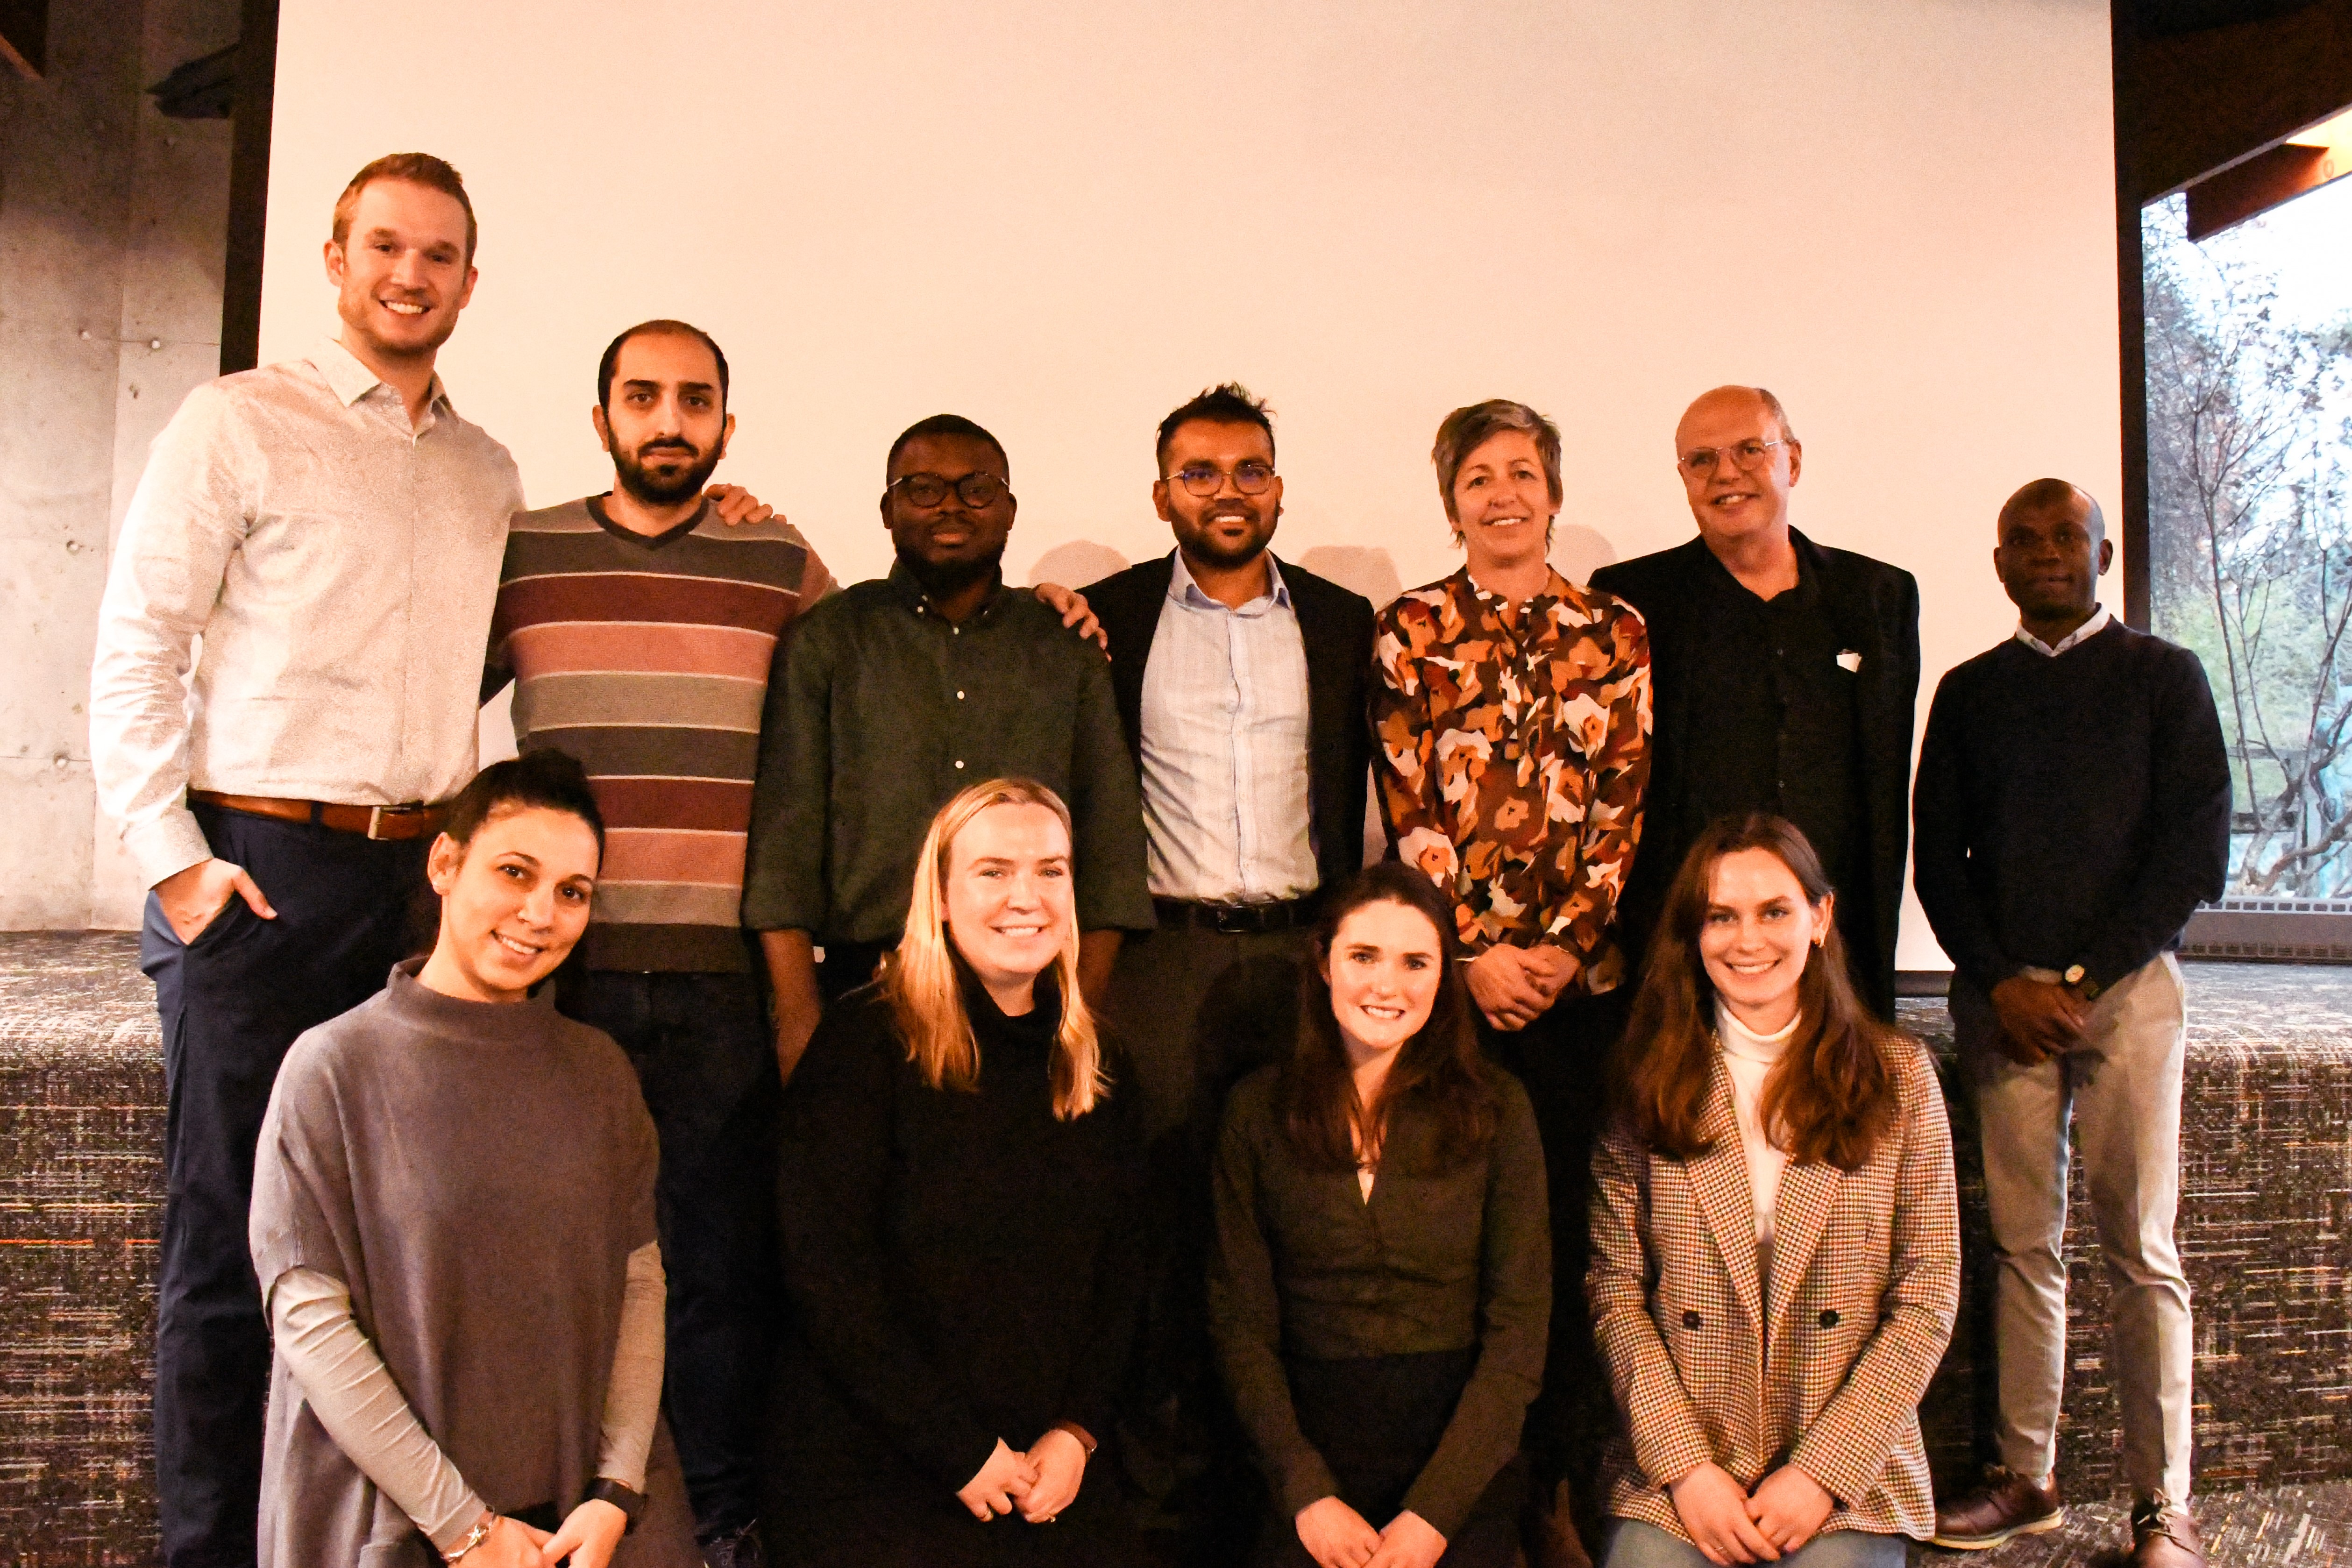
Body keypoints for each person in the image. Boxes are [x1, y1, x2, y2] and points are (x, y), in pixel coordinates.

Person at [87, 153, 774, 1568]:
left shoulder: (489, 473)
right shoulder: (238, 423)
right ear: (336, 258)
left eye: (442, 253)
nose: (412, 273)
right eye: (386, 245)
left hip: (421, 883)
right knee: (232, 1254)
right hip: (260, 868)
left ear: (472, 279)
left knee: (400, 1265)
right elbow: (137, 647)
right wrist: (175, 861)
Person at [481, 319, 834, 1568]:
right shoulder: (523, 554)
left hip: (720, 982)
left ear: (726, 427)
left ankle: (719, 1522)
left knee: (715, 1268)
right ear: (601, 421)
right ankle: (554, 1510)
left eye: (695, 399)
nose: (668, 418)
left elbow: (877, 689)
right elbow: (419, 699)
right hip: (550, 975)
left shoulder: (778, 559)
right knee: (549, 1257)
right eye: (643, 395)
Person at [249, 749, 698, 1568]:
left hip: (584, 1527)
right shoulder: (332, 1068)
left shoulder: (600, 1072)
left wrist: (617, 1491)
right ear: (446, 863)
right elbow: (310, 1326)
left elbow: (640, 1283)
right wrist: (466, 1529)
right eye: (515, 873)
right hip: (396, 1523)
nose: (540, 912)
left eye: (572, 893)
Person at [1081, 383, 1377, 1557]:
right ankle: (1163, 1514)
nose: (1226, 491)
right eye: (1198, 473)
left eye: (1248, 469)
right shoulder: (1101, 617)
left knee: (1302, 1227)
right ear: (1162, 495)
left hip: (1307, 956)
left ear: (1279, 485)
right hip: (1163, 956)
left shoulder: (1350, 621)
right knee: (1164, 1236)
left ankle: (1290, 1505)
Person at [1912, 480, 2228, 1568]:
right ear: (1998, 562)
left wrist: (2087, 976)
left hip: (2126, 996)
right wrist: (2002, 979)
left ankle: (2162, 1504)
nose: (2047, 553)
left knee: (2139, 1249)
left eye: (2067, 537)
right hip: (2003, 1004)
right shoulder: (1966, 693)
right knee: (2020, 1245)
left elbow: (2193, 853)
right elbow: (1936, 859)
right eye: (2024, 540)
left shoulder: (2163, 678)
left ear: (2102, 555)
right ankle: (2026, 1476)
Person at [1372, 397, 1649, 1559]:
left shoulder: (1615, 629)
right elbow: (1407, 803)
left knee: (1577, 1237)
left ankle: (1561, 1485)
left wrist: (1563, 951)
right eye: (1479, 476)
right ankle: (1471, 1483)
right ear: (1451, 502)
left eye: (1522, 471)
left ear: (1554, 490)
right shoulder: (1410, 628)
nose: (1503, 494)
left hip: (1578, 998)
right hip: (1457, 994)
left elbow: (1624, 803)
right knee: (1466, 1236)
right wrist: (1474, 957)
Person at [763, 778, 1151, 1566]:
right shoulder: (865, 1042)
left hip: (1048, 1473)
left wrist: (1078, 1430)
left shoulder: (1100, 1063)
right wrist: (959, 1448)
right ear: (939, 896)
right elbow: (826, 1274)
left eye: (1051, 870)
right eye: (994, 870)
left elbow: (1130, 1269)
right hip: (880, 1467)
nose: (1027, 896)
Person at [1587, 815, 1959, 1568]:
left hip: (1850, 1465)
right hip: (1682, 1463)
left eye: (1774, 911)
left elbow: (1928, 1294)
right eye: (1721, 916)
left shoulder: (1901, 1078)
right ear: (1694, 932)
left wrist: (1822, 1471)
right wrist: (1689, 1470)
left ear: (1820, 918)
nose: (1746, 940)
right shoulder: (1646, 1079)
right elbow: (1614, 1291)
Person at [743, 415, 1154, 1079]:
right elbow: (783, 853)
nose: (952, 507)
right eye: (925, 488)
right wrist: (798, 1020)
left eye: (977, 488)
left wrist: (1083, 1014)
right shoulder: (830, 641)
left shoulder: (1063, 646)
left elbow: (1110, 851)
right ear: (888, 507)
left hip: (1031, 997)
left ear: (1010, 509)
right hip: (865, 991)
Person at [1209, 862, 1551, 1568]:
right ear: (1325, 964)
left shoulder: (1499, 1107)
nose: (1387, 984)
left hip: (1461, 1456)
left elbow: (1519, 1335)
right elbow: (1239, 1327)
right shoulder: (1255, 1112)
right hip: (1305, 1457)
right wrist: (1306, 1492)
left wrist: (1431, 1516)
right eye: (1363, 956)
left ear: (1443, 976)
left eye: (1415, 961)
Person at [1591, 387, 1918, 1019]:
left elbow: (1884, 783)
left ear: (1792, 462)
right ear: (1683, 477)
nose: (1727, 474)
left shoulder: (1877, 595)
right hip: (1685, 942)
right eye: (1702, 460)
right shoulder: (1632, 600)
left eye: (1749, 450)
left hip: (1835, 937)